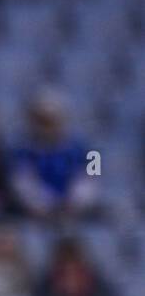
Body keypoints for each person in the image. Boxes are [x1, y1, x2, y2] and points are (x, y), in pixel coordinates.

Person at [9, 91, 98, 220]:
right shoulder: (20, 151)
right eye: (41, 121)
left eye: (51, 121)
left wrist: (74, 203)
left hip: (76, 213)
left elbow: (91, 181)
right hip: (37, 215)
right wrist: (46, 205)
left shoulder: (90, 151)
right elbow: (21, 184)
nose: (46, 127)